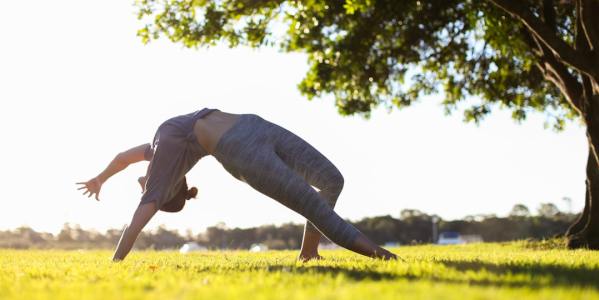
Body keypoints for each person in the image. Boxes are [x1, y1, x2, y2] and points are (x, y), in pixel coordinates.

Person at [77, 108, 397, 262]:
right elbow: (135, 225)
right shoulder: (162, 176)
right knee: (310, 203)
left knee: (331, 180)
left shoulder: (158, 150)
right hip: (244, 154)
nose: (144, 186)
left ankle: (308, 253)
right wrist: (116, 262)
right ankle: (383, 257)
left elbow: (122, 158)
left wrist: (100, 178)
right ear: (169, 189)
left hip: (253, 124)